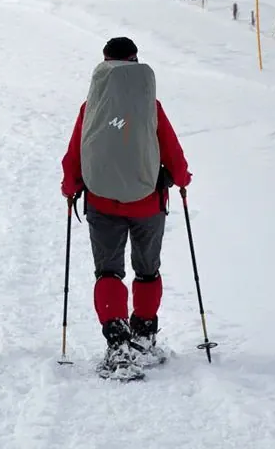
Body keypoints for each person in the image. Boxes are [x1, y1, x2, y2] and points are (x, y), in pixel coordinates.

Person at [60, 37, 191, 377]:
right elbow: (170, 149)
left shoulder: (92, 106)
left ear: (104, 63)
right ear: (135, 61)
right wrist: (181, 177)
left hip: (101, 202)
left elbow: (77, 150)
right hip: (148, 203)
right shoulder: (150, 105)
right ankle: (144, 338)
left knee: (108, 272)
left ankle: (117, 344)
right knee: (147, 270)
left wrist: (70, 185)